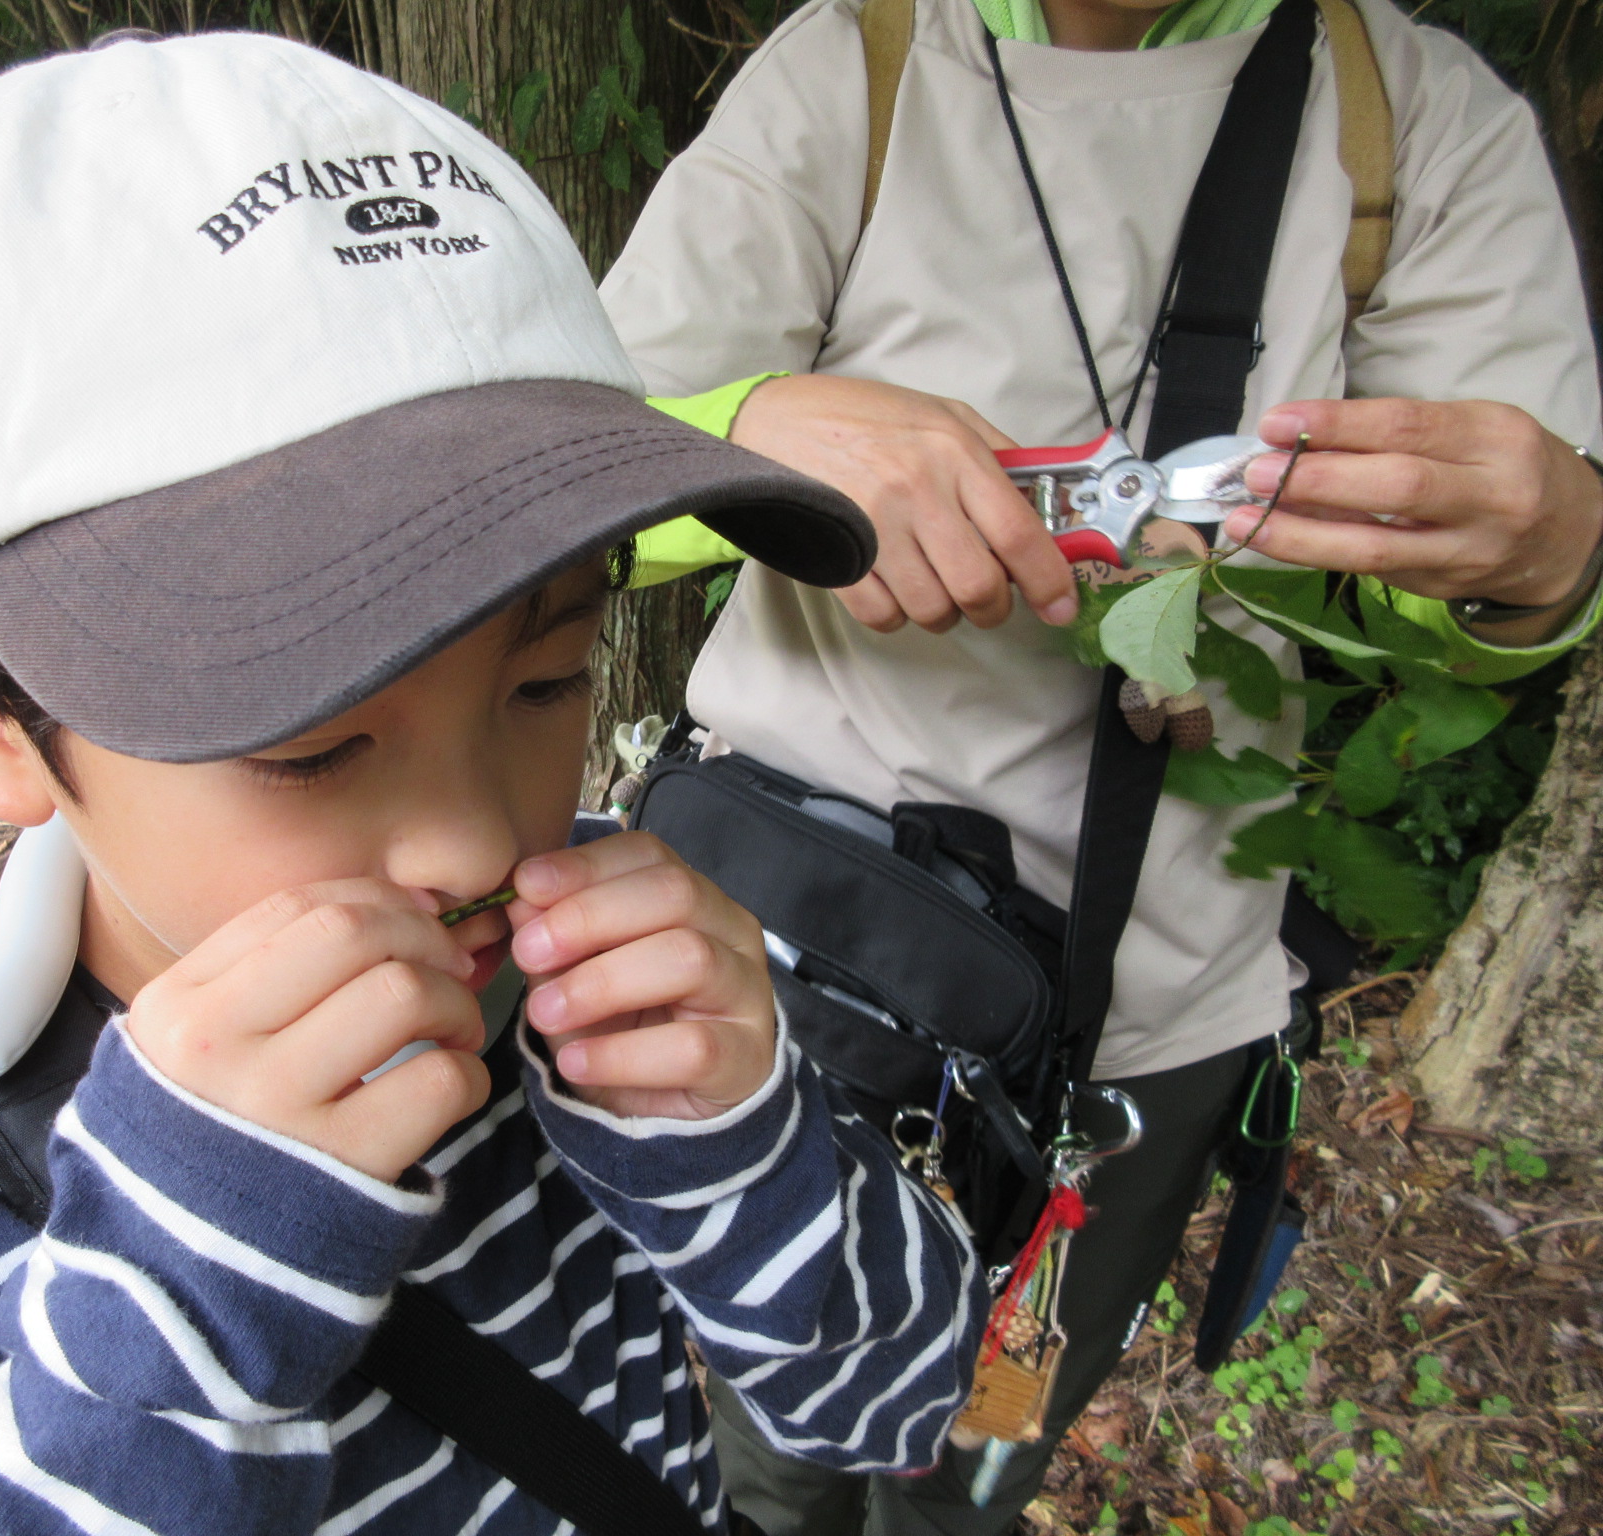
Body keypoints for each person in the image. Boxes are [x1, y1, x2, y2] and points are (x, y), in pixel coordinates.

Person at [0, 32, 990, 1536]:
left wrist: (752, 1142)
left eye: (547, 682)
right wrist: (171, 1324)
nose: (479, 836)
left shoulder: (611, 1009)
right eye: (312, 741)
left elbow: (899, 1401)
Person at [600, 0, 1603, 1529]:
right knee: (771, 1432)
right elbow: (569, 486)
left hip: (1153, 1020)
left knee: (981, 1452)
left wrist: (1539, 561)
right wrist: (758, 438)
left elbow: (1468, 616)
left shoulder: (1404, 115)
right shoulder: (857, 65)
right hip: (807, 972)